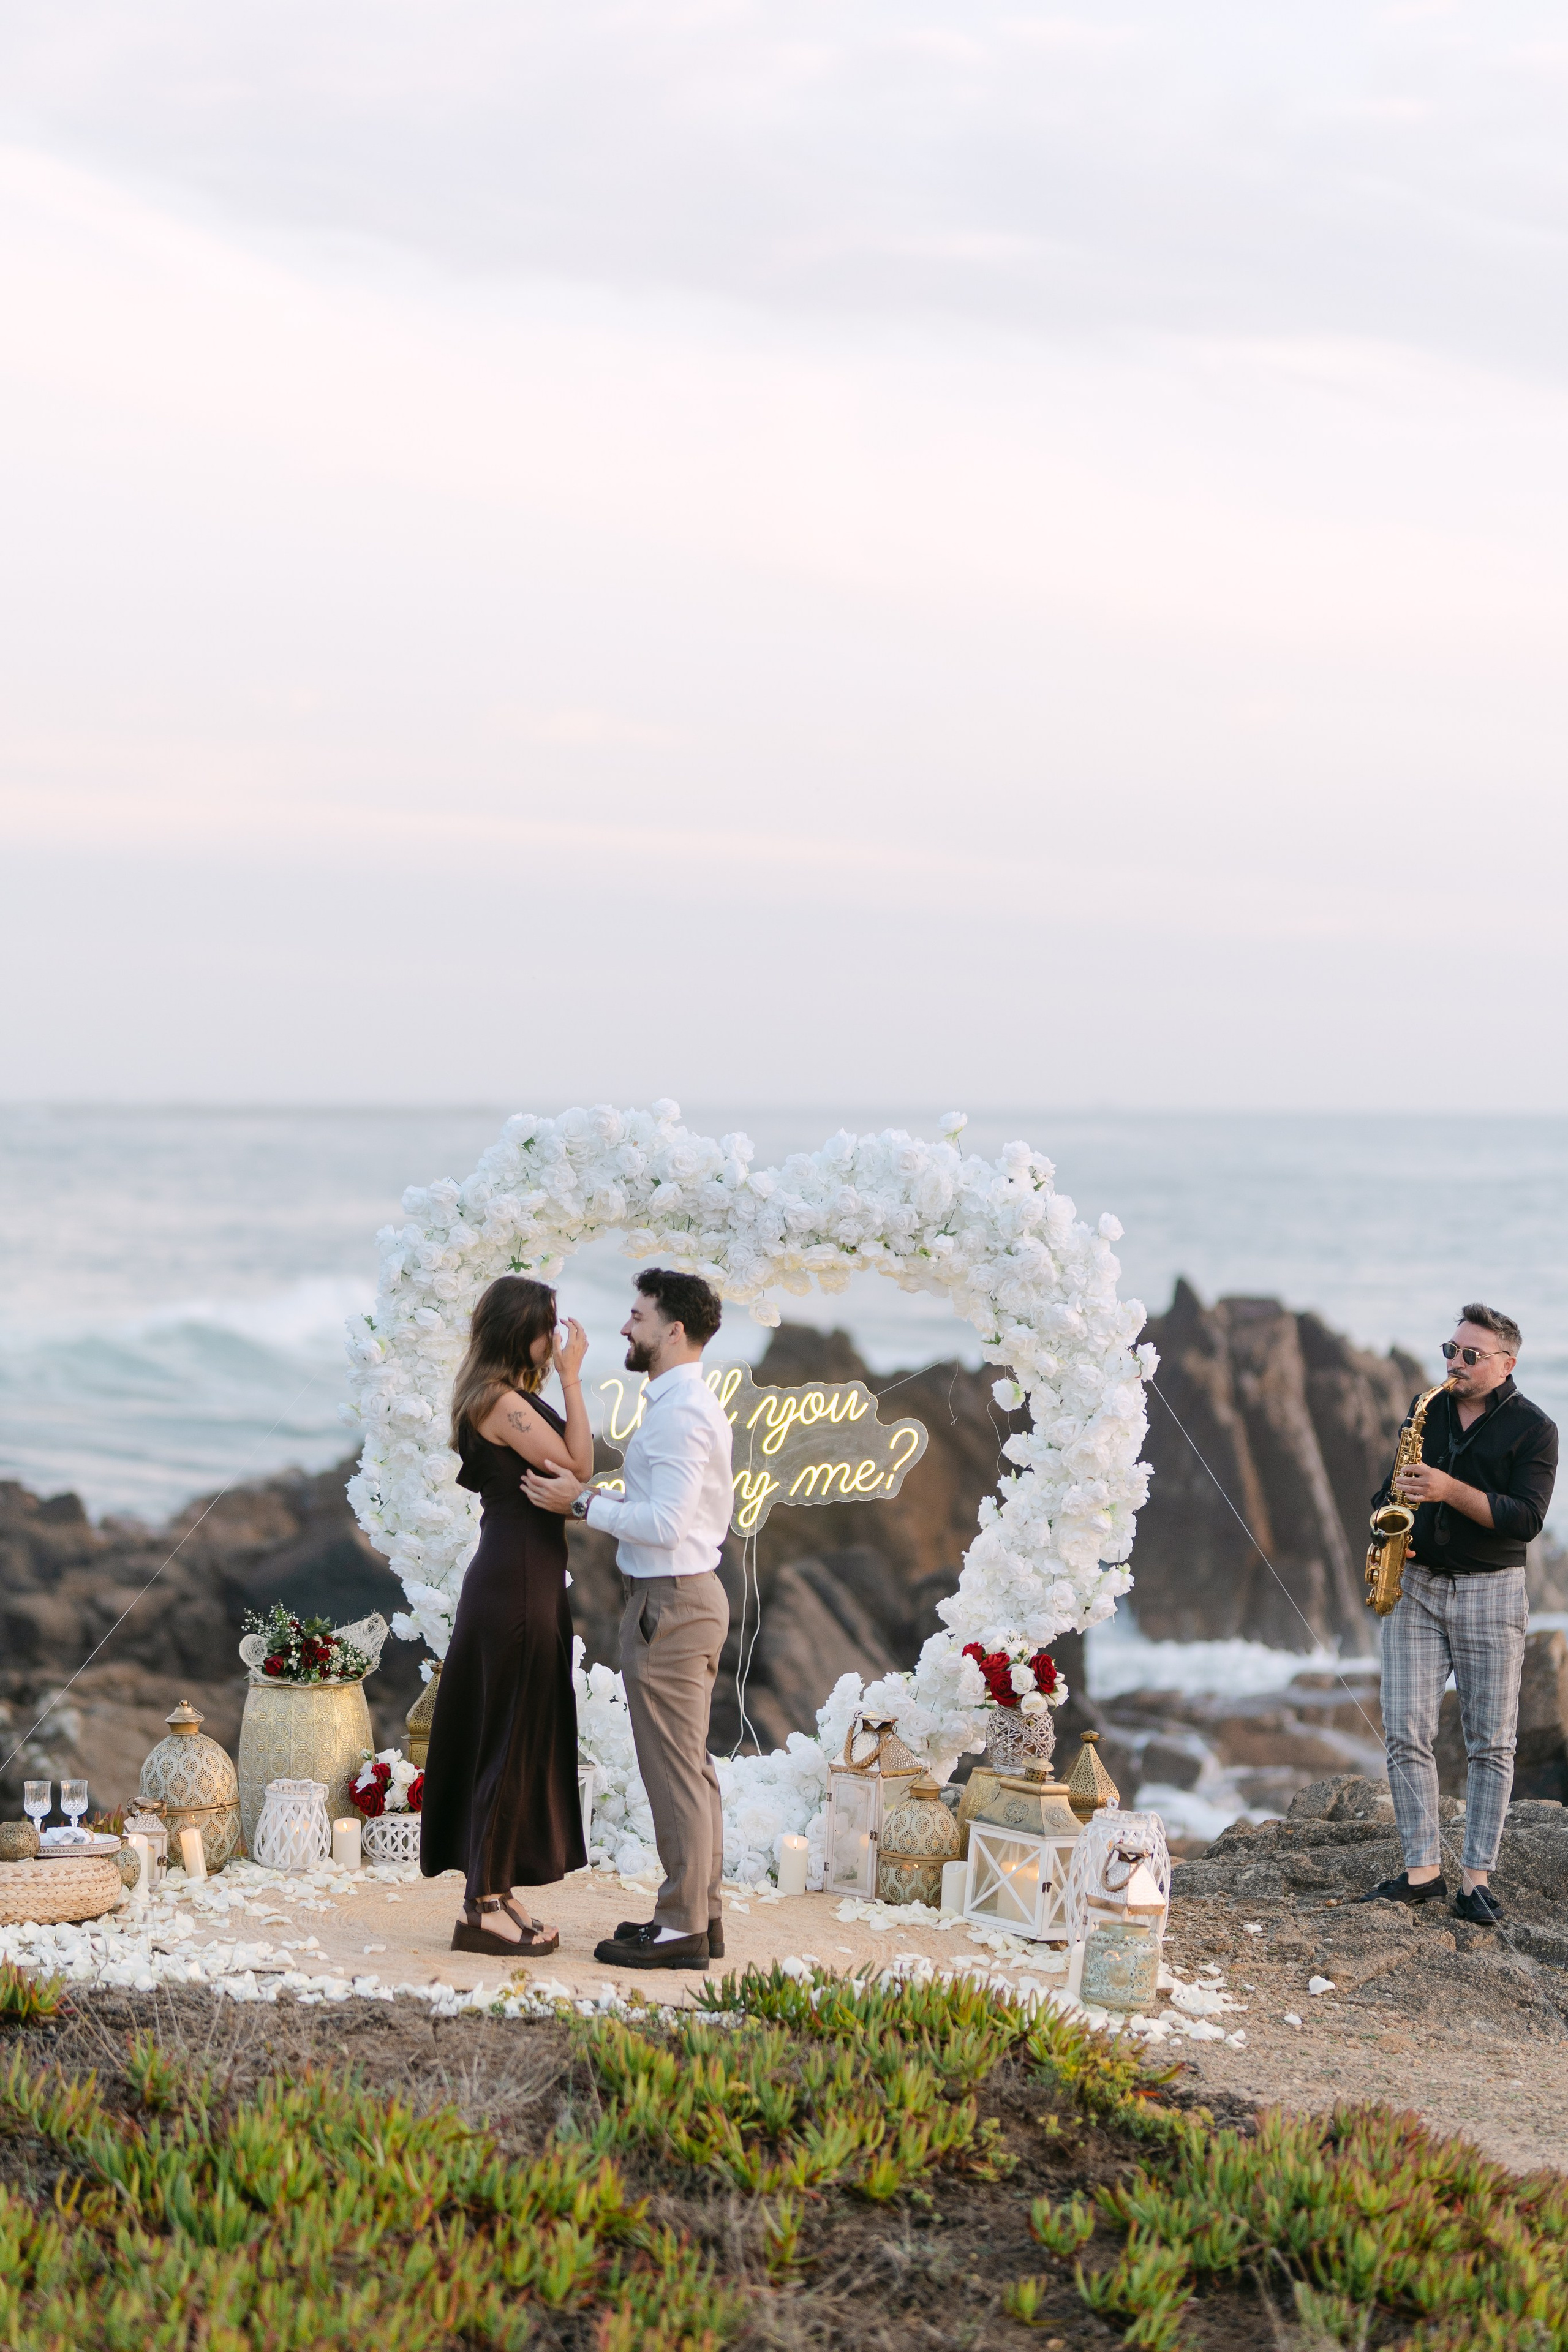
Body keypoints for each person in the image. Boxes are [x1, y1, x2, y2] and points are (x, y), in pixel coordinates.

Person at [524, 1267, 732, 1970]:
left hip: (671, 1604)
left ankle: (680, 1931)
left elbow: (666, 1525)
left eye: (637, 1316)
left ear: (673, 1331)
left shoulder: (678, 1411)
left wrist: (580, 1504)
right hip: (683, 1600)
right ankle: (699, 1917)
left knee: (675, 1775)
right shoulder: (683, 1401)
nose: (624, 1327)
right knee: (691, 1772)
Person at [1360, 1304, 1558, 1927]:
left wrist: (1448, 1491)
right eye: (1450, 1349)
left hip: (1490, 1592)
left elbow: (1525, 1519)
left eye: (1470, 1356)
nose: (1454, 1364)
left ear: (1505, 1365)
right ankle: (1422, 1872)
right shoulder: (1428, 1411)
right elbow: (1387, 1492)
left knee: (1491, 1743)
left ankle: (1475, 1883)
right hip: (1415, 1586)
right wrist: (1382, 1528)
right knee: (1403, 1730)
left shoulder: (1535, 1429)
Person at [420, 1275, 592, 1956]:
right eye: (550, 1326)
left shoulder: (506, 1398)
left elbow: (572, 1479)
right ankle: (478, 1908)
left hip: (524, 1579)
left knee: (517, 1738)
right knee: (509, 1739)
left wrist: (561, 1386)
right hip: (517, 1585)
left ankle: (493, 1889)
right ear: (523, 1331)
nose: (558, 1339)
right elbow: (577, 1467)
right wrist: (574, 1381)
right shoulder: (500, 1402)